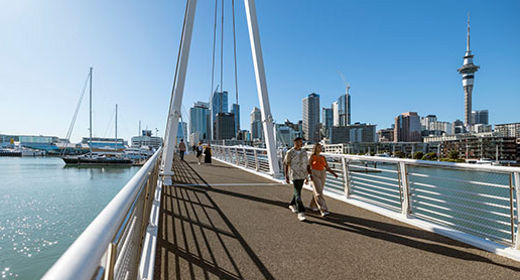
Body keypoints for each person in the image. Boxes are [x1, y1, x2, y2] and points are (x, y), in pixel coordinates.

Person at [307, 143, 338, 217]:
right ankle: (323, 209)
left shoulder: (323, 157)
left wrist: (334, 174)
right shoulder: (312, 156)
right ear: (315, 148)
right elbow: (308, 166)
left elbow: (327, 167)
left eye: (321, 147)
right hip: (315, 173)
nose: (320, 149)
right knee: (319, 192)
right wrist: (310, 175)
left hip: (323, 173)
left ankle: (312, 205)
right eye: (319, 147)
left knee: (319, 191)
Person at [283, 137, 309, 221]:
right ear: (294, 142)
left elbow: (307, 164)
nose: (300, 144)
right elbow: (286, 164)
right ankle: (300, 212)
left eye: (301, 142)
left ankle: (291, 204)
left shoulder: (304, 151)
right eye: (298, 142)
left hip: (302, 174)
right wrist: (286, 176)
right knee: (298, 193)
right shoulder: (290, 152)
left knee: (297, 192)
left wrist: (307, 176)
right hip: (294, 174)